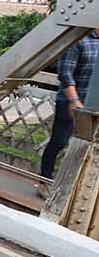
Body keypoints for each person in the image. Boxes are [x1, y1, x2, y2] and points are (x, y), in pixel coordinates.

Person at [39, 28, 99, 186]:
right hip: (71, 101)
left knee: (88, 147)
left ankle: (74, 184)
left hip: (95, 106)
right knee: (60, 141)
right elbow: (65, 73)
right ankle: (45, 181)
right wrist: (74, 100)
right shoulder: (79, 40)